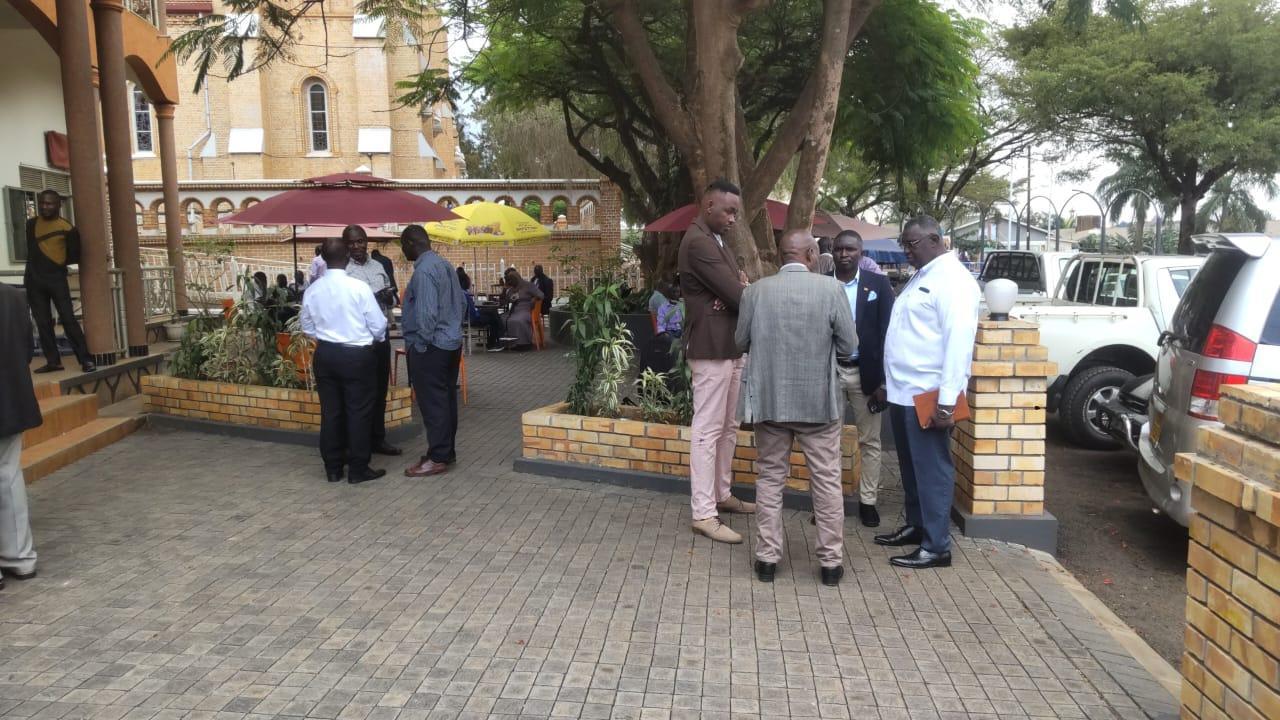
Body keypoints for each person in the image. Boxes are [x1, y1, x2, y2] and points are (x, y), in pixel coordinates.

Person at [737, 229, 856, 586]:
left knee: (771, 478)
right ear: (810, 254)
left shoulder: (756, 292)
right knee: (826, 480)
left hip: (771, 401)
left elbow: (740, 340)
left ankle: (767, 559)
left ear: (783, 255)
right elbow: (850, 345)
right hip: (819, 404)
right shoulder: (832, 289)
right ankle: (831, 565)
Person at [876, 215, 980, 569]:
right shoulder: (925, 273)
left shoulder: (954, 281)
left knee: (933, 468)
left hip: (930, 395)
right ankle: (918, 526)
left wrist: (948, 403)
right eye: (904, 244)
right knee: (911, 467)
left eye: (912, 244)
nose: (906, 250)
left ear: (935, 239)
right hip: (904, 390)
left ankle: (937, 545)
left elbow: (958, 345)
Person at [678, 179, 755, 544]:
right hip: (710, 348)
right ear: (708, 205)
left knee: (728, 426)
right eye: (728, 211)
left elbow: (738, 287)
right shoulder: (697, 241)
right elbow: (738, 292)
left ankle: (721, 496)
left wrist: (735, 289)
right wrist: (734, 290)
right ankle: (703, 513)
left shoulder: (717, 240)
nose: (733, 219)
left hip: (730, 344)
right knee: (708, 431)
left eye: (736, 212)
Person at [300, 238, 388, 485]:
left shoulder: (312, 290)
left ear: (324, 259)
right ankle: (358, 469)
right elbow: (379, 324)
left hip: (326, 355)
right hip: (356, 355)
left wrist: (328, 337)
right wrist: (371, 339)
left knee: (331, 412)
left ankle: (333, 467)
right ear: (348, 256)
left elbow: (306, 326)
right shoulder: (358, 288)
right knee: (358, 412)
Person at [832, 230, 896, 528]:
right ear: (832, 252)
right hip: (829, 372)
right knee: (825, 442)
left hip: (865, 374)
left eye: (851, 249)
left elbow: (889, 335)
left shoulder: (878, 285)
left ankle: (867, 502)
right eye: (839, 249)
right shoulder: (822, 283)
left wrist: (883, 382)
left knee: (869, 441)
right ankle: (827, 504)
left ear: (861, 253)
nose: (844, 254)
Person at [400, 225, 467, 478]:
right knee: (446, 399)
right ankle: (445, 452)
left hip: (431, 346)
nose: (402, 250)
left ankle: (437, 457)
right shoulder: (444, 265)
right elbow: (460, 302)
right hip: (450, 343)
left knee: (433, 403)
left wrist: (421, 344)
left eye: (402, 245)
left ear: (410, 243)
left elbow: (426, 314)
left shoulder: (425, 271)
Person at [343, 225, 402, 458]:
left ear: (367, 242)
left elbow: (392, 298)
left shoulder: (379, 266)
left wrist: (390, 296)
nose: (357, 246)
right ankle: (358, 442)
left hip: (381, 337)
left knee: (380, 389)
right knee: (359, 392)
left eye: (361, 241)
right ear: (346, 245)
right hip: (358, 339)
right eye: (352, 242)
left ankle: (379, 439)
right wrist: (372, 297)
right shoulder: (343, 271)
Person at [0, 283, 41, 587]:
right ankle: (21, 558)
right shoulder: (15, 297)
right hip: (11, 400)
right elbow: (28, 350)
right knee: (8, 475)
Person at [25, 190, 94, 373]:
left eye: (49, 204)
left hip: (56, 279)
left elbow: (74, 256)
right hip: (33, 280)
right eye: (42, 203)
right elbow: (31, 250)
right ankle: (53, 361)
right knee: (43, 322)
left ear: (58, 205)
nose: (45, 207)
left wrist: (55, 265)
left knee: (68, 319)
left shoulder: (68, 228)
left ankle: (86, 360)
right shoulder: (31, 224)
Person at [500, 269, 544, 351]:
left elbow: (541, 294)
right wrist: (505, 289)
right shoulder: (512, 288)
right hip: (514, 309)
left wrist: (534, 299)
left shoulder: (528, 285)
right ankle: (508, 344)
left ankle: (523, 343)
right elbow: (505, 300)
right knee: (502, 319)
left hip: (526, 308)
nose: (512, 283)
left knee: (518, 320)